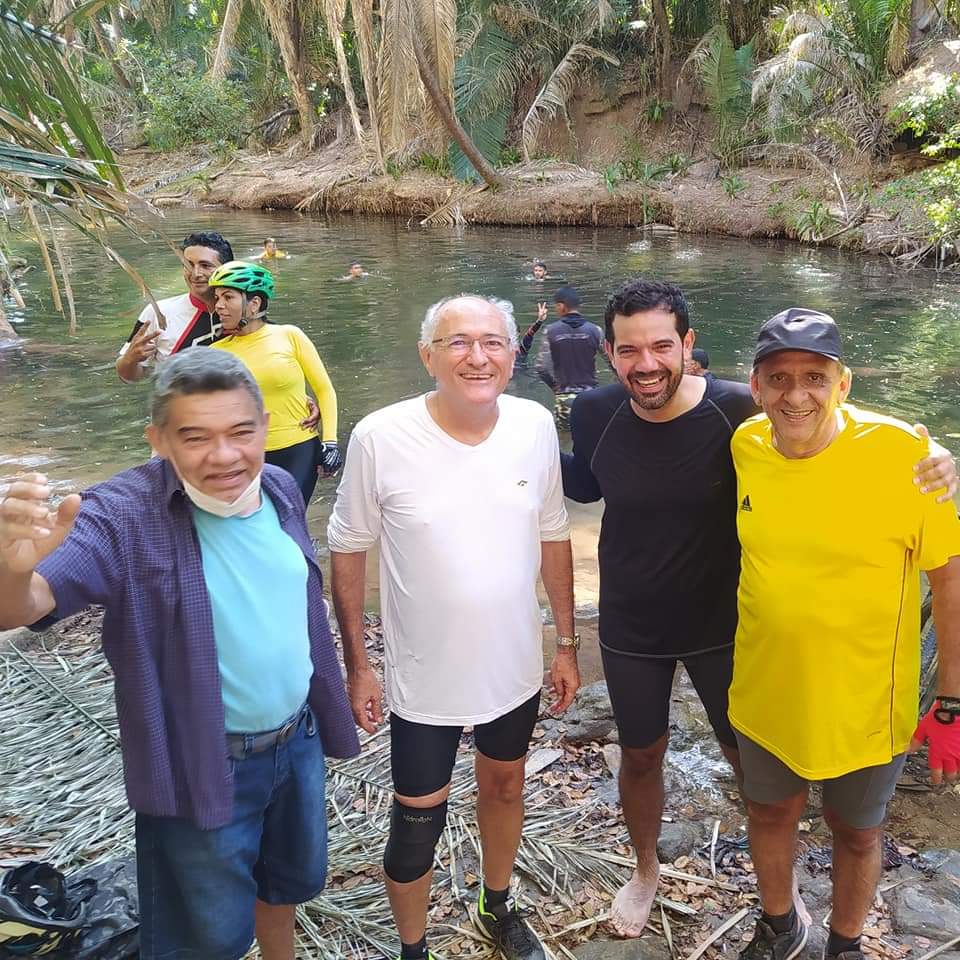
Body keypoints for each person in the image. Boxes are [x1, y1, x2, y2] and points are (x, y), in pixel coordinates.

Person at [560, 280, 958, 939]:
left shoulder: (744, 414)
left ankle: (813, 920)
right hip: (642, 624)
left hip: (731, 632)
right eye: (629, 349)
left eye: (662, 344)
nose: (647, 362)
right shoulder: (615, 414)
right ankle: (663, 877)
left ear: (689, 346)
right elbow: (574, 481)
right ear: (608, 352)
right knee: (661, 764)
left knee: (791, 794)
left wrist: (935, 452)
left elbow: (830, 414)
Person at [0, 349, 360, 960]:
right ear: (158, 440)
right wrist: (12, 570)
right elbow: (28, 605)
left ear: (265, 429)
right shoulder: (120, 515)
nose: (223, 456)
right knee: (205, 936)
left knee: (284, 887)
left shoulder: (276, 488)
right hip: (201, 761)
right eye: (195, 437)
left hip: (296, 743)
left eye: (240, 432)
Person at [327, 294, 581, 960]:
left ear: (513, 353)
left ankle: (497, 903)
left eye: (493, 342)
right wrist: (359, 664)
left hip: (514, 664)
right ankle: (415, 948)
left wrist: (567, 644)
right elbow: (347, 548)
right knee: (416, 823)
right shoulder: (380, 437)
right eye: (458, 342)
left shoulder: (530, 426)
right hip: (424, 676)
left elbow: (554, 535)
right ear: (428, 357)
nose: (478, 356)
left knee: (504, 785)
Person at [731, 307, 960, 960]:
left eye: (814, 377)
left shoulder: (906, 455)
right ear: (756, 386)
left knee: (856, 832)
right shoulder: (746, 442)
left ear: (844, 383)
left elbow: (949, 579)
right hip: (764, 688)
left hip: (865, 700)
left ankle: (845, 944)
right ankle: (779, 925)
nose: (795, 395)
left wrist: (951, 699)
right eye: (779, 378)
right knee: (769, 814)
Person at [209, 261, 342, 504]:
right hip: (243, 454)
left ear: (254, 302)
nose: (219, 305)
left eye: (228, 297)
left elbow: (324, 389)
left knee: (287, 519)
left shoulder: (289, 335)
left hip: (297, 446)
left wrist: (330, 442)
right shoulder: (215, 353)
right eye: (217, 298)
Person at [116, 232, 233, 384]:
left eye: (205, 266)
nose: (195, 273)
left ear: (227, 269)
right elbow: (128, 377)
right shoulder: (159, 313)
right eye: (188, 265)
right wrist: (129, 359)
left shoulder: (244, 312)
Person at [535, 286, 605, 427]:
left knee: (563, 440)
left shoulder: (551, 332)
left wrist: (556, 388)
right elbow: (613, 362)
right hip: (591, 397)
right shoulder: (595, 331)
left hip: (564, 400)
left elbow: (541, 368)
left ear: (562, 306)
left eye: (556, 306)